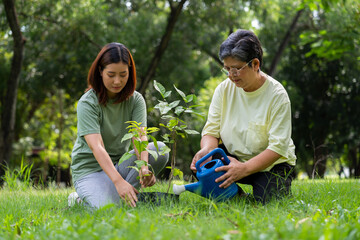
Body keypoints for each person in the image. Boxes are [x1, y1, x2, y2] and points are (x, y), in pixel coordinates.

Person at [190, 30, 296, 204]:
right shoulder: (223, 90)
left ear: (255, 64)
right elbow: (211, 131)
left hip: (271, 165)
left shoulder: (277, 95)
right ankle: (237, 196)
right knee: (202, 165)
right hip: (233, 159)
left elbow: (278, 148)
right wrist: (207, 150)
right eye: (227, 69)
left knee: (268, 200)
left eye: (237, 68)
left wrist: (245, 168)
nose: (231, 75)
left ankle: (255, 191)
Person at [69, 43, 169, 209]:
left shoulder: (136, 100)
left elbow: (139, 137)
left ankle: (122, 196)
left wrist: (144, 167)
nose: (117, 81)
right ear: (100, 72)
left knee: (159, 150)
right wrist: (118, 182)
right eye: (111, 74)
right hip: (90, 171)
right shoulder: (87, 103)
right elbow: (97, 147)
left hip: (119, 165)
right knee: (107, 210)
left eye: (123, 74)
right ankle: (79, 199)